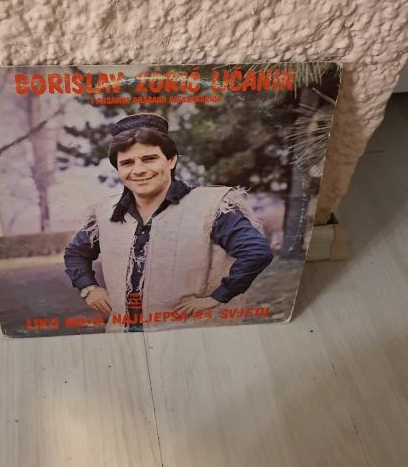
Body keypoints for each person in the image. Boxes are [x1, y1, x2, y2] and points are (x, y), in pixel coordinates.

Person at [64, 113, 273, 332]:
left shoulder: (210, 206)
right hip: (123, 337)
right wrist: (89, 288)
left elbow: (256, 252)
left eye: (149, 159)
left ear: (171, 160)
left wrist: (217, 298)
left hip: (190, 338)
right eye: (127, 163)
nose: (138, 170)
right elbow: (75, 253)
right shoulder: (106, 211)